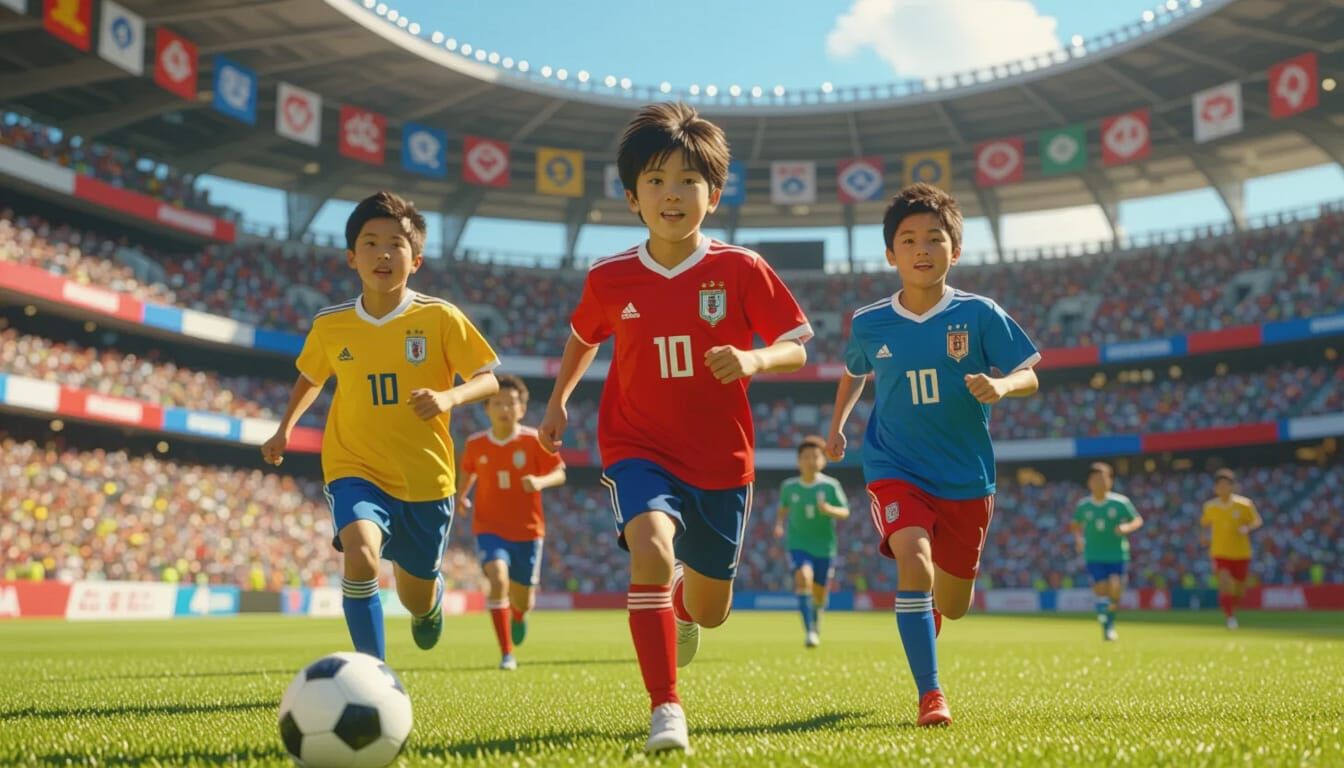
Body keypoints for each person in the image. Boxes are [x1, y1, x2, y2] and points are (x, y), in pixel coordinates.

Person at [538, 102, 812, 752]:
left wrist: (755, 358)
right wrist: (557, 403)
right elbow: (583, 338)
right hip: (637, 446)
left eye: (688, 180)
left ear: (713, 195)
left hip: (721, 459)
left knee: (711, 610)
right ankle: (666, 706)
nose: (672, 194)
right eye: (656, 180)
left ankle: (684, 604)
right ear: (633, 197)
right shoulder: (609, 276)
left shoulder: (741, 268)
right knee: (653, 550)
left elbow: (798, 346)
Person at [825, 183, 1040, 726]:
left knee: (956, 602)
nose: (922, 249)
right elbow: (854, 372)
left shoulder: (980, 313)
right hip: (894, 465)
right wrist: (837, 427)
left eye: (934, 238)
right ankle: (931, 694)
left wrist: (1002, 385)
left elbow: (1029, 374)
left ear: (955, 250)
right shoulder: (869, 322)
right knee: (914, 560)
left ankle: (931, 615)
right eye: (909, 240)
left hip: (966, 476)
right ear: (890, 254)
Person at [262, 190, 500, 660]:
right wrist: (285, 427)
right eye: (370, 243)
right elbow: (311, 377)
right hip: (355, 466)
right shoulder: (331, 325)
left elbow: (488, 378)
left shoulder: (439, 316)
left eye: (396, 244)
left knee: (414, 595)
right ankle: (374, 672)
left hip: (425, 479)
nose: (383, 254)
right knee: (361, 555)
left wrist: (448, 396)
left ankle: (429, 603)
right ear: (352, 257)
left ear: (416, 260)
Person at [457, 374, 567, 670]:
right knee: (497, 578)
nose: (504, 408)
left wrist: (540, 482)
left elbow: (560, 472)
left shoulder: (534, 440)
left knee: (524, 600)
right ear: (487, 409)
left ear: (522, 408)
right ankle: (507, 653)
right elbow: (468, 470)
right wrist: (461, 496)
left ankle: (518, 615)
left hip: (528, 532)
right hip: (489, 529)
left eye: (511, 403)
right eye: (497, 403)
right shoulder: (476, 443)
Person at [773, 435, 850, 648]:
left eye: (815, 456)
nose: (810, 461)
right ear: (798, 461)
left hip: (825, 548)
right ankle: (809, 632)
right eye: (806, 457)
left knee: (819, 595)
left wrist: (829, 510)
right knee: (803, 578)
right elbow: (782, 509)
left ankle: (816, 622)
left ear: (823, 460)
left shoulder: (831, 486)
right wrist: (779, 525)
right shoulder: (789, 487)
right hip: (798, 545)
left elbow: (845, 512)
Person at [1069, 462, 1143, 641]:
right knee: (1101, 588)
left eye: (1103, 479)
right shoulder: (1084, 505)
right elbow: (1075, 525)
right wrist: (1078, 539)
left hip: (1117, 554)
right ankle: (1108, 626)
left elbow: (1137, 520)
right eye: (1096, 479)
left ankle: (1108, 619)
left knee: (1115, 588)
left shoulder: (1120, 502)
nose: (1100, 483)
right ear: (1089, 483)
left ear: (1110, 481)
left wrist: (1126, 527)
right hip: (1094, 554)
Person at [1201, 468, 1262, 629]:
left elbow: (1256, 521)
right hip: (1220, 552)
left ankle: (1232, 610)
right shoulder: (1210, 507)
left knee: (1239, 589)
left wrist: (1247, 528)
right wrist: (1203, 536)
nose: (1223, 488)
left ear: (1232, 486)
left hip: (1241, 553)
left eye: (1226, 485)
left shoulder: (1244, 504)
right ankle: (1230, 617)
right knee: (1225, 582)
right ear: (1215, 488)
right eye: (1220, 485)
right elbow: (1205, 524)